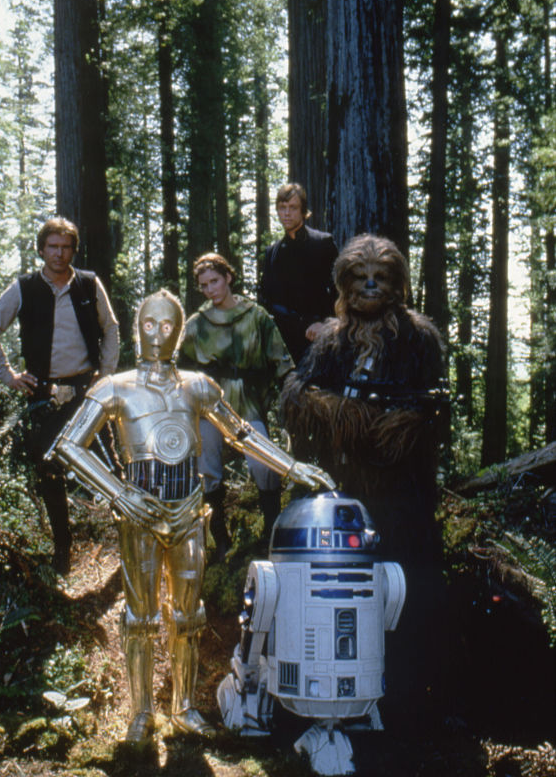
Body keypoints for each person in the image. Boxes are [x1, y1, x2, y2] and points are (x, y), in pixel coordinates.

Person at [49, 289, 333, 743]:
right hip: (138, 511)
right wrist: (119, 493)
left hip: (187, 512)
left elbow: (240, 435)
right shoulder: (114, 387)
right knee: (139, 618)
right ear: (136, 328)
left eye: (167, 326)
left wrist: (292, 467)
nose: (157, 335)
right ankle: (141, 711)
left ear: (179, 333)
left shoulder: (197, 386)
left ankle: (183, 706)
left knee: (189, 616)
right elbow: (67, 444)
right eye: (148, 325)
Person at [281, 234, 448, 720]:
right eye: (360, 276)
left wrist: (398, 425)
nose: (370, 285)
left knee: (406, 586)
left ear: (397, 284)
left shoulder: (418, 339)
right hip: (345, 490)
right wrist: (344, 415)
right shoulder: (332, 341)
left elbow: (435, 406)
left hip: (402, 493)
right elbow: (298, 393)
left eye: (380, 277)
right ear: (344, 285)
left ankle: (407, 695)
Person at [0, 217, 119, 575]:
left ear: (74, 250)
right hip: (43, 394)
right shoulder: (24, 287)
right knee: (49, 470)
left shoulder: (88, 284)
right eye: (52, 247)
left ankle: (130, 540)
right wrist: (9, 376)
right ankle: (63, 548)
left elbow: (112, 328)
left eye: (65, 247)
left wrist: (106, 375)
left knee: (111, 466)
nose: (59, 253)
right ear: (41, 249)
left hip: (89, 393)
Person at [179, 252, 294, 558]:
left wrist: (292, 389)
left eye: (214, 281)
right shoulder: (196, 325)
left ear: (228, 278)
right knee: (207, 467)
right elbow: (179, 369)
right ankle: (220, 538)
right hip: (211, 406)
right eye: (203, 285)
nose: (210, 289)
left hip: (248, 404)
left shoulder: (255, 316)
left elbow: (281, 359)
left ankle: (271, 530)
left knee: (264, 463)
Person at [258, 182, 338, 364]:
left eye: (293, 208)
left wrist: (326, 325)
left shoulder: (322, 243)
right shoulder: (273, 252)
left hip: (321, 339)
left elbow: (340, 293)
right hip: (286, 344)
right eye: (282, 208)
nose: (286, 213)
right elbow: (267, 300)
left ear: (303, 211)